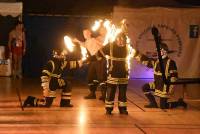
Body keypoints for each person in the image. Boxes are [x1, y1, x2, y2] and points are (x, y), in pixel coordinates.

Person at [88, 32, 135, 115]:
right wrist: (87, 60)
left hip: (124, 75)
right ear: (116, 39)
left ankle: (122, 109)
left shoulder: (128, 47)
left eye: (123, 39)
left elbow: (138, 55)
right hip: (112, 74)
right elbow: (98, 54)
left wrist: (150, 62)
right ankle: (109, 109)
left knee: (123, 93)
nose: (121, 41)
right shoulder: (110, 46)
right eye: (119, 38)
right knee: (110, 93)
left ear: (125, 39)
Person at [134, 43, 187, 109]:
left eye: (159, 50)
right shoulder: (156, 61)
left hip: (165, 87)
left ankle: (180, 103)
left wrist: (171, 87)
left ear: (164, 51)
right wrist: (135, 53)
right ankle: (153, 103)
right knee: (145, 87)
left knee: (163, 106)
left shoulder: (170, 62)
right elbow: (147, 61)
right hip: (157, 84)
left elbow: (174, 77)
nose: (157, 52)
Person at [74, 29, 104, 99]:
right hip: (92, 61)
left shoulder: (93, 40)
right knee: (91, 77)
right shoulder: (87, 41)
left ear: (90, 33)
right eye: (84, 33)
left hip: (98, 61)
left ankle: (104, 95)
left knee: (100, 78)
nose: (85, 34)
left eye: (87, 33)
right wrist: (77, 41)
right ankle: (92, 93)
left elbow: (101, 46)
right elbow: (84, 45)